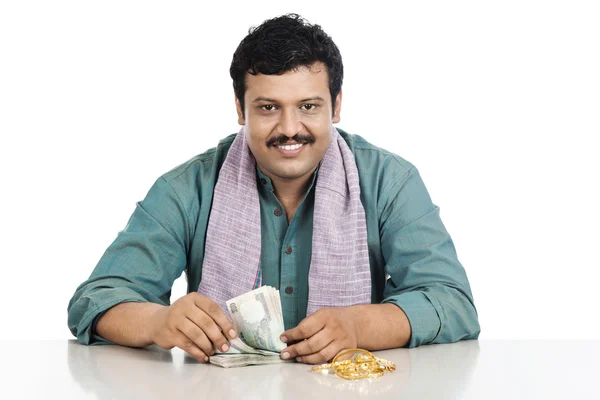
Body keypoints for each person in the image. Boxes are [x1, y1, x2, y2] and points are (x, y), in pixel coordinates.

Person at [67, 13, 480, 365]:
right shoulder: (187, 188)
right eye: (268, 108)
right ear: (239, 109)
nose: (288, 129)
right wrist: (159, 322)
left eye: (308, 106)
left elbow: (453, 302)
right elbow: (96, 299)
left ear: (336, 105)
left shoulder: (390, 182)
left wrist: (359, 325)